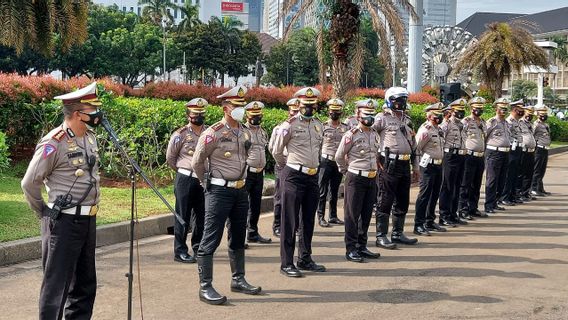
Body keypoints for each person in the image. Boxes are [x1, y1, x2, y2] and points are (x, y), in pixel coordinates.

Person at [21, 82, 102, 319]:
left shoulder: (89, 137)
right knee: (56, 288)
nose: (97, 114)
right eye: (93, 109)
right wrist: (44, 213)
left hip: (88, 220)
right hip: (63, 222)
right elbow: (29, 183)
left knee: (85, 285)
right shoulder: (53, 143)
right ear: (78, 114)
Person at [192, 86, 261, 305]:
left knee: (238, 236)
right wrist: (206, 183)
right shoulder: (213, 133)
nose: (241, 110)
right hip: (219, 190)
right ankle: (205, 286)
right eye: (236, 106)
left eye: (242, 106)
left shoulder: (245, 131)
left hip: (240, 190)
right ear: (225, 108)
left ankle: (238, 279)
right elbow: (197, 162)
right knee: (210, 238)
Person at [272, 87, 326, 277]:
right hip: (293, 175)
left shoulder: (319, 125)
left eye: (312, 105)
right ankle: (286, 263)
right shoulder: (289, 125)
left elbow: (318, 150)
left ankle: (305, 258)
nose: (309, 108)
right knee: (289, 220)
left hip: (312, 176)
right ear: (298, 105)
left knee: (308, 220)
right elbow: (277, 151)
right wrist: (287, 167)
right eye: (305, 105)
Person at [335, 99, 381, 262]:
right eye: (366, 114)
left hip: (371, 178)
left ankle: (362, 246)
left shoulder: (375, 134)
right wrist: (345, 171)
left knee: (366, 214)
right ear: (358, 116)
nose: (369, 117)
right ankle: (351, 248)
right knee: (352, 215)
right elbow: (339, 156)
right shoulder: (351, 134)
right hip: (355, 177)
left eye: (371, 114)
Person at [373, 87, 418, 249]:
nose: (401, 103)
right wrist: (375, 156)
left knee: (403, 200)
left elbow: (414, 146)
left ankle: (398, 233)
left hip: (405, 164)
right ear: (389, 100)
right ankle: (381, 236)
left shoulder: (407, 120)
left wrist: (416, 167)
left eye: (404, 99)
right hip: (389, 163)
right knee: (385, 200)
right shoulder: (382, 118)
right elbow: (369, 135)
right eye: (397, 99)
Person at [166, 98, 208, 264]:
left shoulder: (208, 133)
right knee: (182, 215)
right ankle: (180, 251)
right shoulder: (180, 134)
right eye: (195, 113)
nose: (198, 116)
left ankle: (198, 247)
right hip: (185, 179)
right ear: (188, 115)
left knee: (201, 215)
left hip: (202, 179)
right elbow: (170, 158)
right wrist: (183, 171)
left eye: (201, 113)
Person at [269, 98, 300, 237]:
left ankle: (295, 225)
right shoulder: (280, 128)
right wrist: (283, 164)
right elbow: (273, 149)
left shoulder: (303, 127)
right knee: (280, 197)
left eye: (298, 111)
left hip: (297, 166)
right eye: (293, 111)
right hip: (284, 165)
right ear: (289, 111)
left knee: (296, 198)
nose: (296, 114)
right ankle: (277, 225)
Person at [414, 102, 446, 235]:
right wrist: (416, 167)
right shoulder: (425, 130)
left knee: (435, 194)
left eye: (440, 114)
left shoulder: (438, 129)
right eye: (436, 115)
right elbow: (416, 149)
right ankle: (419, 224)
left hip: (438, 165)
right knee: (424, 195)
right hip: (427, 166)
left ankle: (430, 221)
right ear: (429, 116)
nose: (439, 117)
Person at [244, 101, 272, 244]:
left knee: (255, 205)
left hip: (259, 173)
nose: (256, 118)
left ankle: (253, 233)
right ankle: (239, 236)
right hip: (246, 172)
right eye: (253, 115)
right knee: (242, 205)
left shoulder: (262, 131)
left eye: (258, 115)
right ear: (247, 116)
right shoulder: (242, 131)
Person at [317, 98, 348, 227]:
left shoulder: (345, 128)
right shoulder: (323, 127)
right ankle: (320, 216)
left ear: (340, 113)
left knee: (334, 190)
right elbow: (317, 145)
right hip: (325, 161)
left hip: (337, 162)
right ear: (329, 112)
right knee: (322, 190)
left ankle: (333, 216)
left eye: (337, 111)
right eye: (332, 111)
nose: (334, 113)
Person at [458, 97, 487, 222]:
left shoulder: (483, 122)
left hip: (480, 156)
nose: (479, 110)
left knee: (476, 183)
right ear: (471, 108)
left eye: (481, 108)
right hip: (469, 155)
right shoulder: (466, 121)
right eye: (477, 108)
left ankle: (473, 208)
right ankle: (462, 209)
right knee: (465, 183)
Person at [438, 98, 467, 227]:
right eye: (458, 111)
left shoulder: (461, 125)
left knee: (457, 186)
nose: (461, 113)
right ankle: (444, 216)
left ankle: (453, 214)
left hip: (461, 156)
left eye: (462, 110)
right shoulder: (446, 124)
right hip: (449, 156)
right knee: (448, 186)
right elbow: (440, 141)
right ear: (451, 111)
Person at [484, 98, 511, 214]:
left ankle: (495, 202)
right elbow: (484, 136)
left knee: (501, 179)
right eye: (501, 108)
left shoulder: (506, 123)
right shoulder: (491, 122)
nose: (503, 111)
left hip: (505, 153)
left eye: (505, 109)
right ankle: (489, 204)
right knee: (492, 179)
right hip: (494, 152)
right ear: (496, 109)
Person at [517, 105, 537, 201]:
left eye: (531, 115)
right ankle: (519, 193)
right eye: (528, 114)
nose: (529, 116)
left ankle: (526, 192)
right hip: (523, 151)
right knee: (521, 173)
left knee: (529, 173)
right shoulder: (519, 123)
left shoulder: (530, 124)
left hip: (531, 151)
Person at [531, 106, 552, 196]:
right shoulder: (536, 124)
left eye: (545, 114)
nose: (544, 115)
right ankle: (534, 188)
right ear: (537, 115)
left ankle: (540, 188)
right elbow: (532, 135)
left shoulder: (545, 125)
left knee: (542, 169)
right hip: (539, 149)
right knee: (537, 169)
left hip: (545, 149)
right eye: (542, 114)